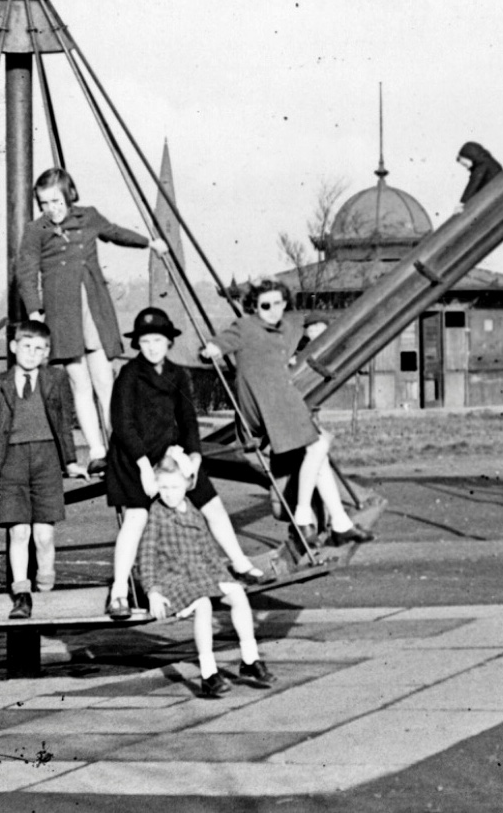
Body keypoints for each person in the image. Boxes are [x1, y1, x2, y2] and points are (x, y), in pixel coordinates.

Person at [103, 307, 264, 620]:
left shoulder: (178, 374)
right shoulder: (130, 375)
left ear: (169, 343)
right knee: (136, 517)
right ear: (138, 344)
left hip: (169, 455)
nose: (152, 347)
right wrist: (144, 469)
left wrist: (194, 456)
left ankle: (240, 563)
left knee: (212, 505)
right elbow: (122, 424)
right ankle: (119, 592)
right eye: (146, 341)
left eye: (158, 340)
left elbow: (188, 419)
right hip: (133, 458)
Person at [16, 168, 168, 475]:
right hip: (62, 313)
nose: (51, 209)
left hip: (93, 307)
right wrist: (35, 310)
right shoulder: (36, 231)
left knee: (104, 380)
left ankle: (122, 445)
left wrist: (149, 243)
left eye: (56, 201)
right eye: (44, 203)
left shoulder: (88, 217)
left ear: (70, 195)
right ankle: (97, 450)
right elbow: (26, 271)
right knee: (79, 383)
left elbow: (115, 232)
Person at [201, 281, 374, 548]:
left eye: (278, 304)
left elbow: (311, 320)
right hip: (262, 404)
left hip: (283, 400)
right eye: (265, 306)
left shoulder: (291, 324)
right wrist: (211, 349)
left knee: (318, 455)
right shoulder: (246, 327)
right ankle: (303, 515)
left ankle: (340, 523)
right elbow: (223, 341)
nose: (272, 310)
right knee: (319, 445)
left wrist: (316, 331)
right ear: (255, 307)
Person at [0, 320, 88, 619]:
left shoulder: (56, 380)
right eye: (26, 346)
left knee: (44, 536)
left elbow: (64, 423)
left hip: (46, 460)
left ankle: (46, 588)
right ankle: (22, 594)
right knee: (19, 532)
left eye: (39, 349)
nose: (32, 353)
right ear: (13, 347)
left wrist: (70, 461)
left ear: (47, 352)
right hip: (10, 463)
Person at [137, 456, 277, 699]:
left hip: (200, 575)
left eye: (175, 487)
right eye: (163, 488)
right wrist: (153, 591)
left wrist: (225, 580)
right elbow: (146, 556)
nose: (169, 494)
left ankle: (250, 658)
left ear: (188, 485)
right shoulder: (157, 514)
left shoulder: (192, 509)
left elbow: (209, 551)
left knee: (238, 594)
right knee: (203, 605)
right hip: (174, 580)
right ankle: (209, 674)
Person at [456, 142, 502, 210]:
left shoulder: (483, 164)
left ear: (469, 156)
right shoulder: (485, 161)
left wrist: (462, 203)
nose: (466, 168)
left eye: (465, 164)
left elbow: (474, 182)